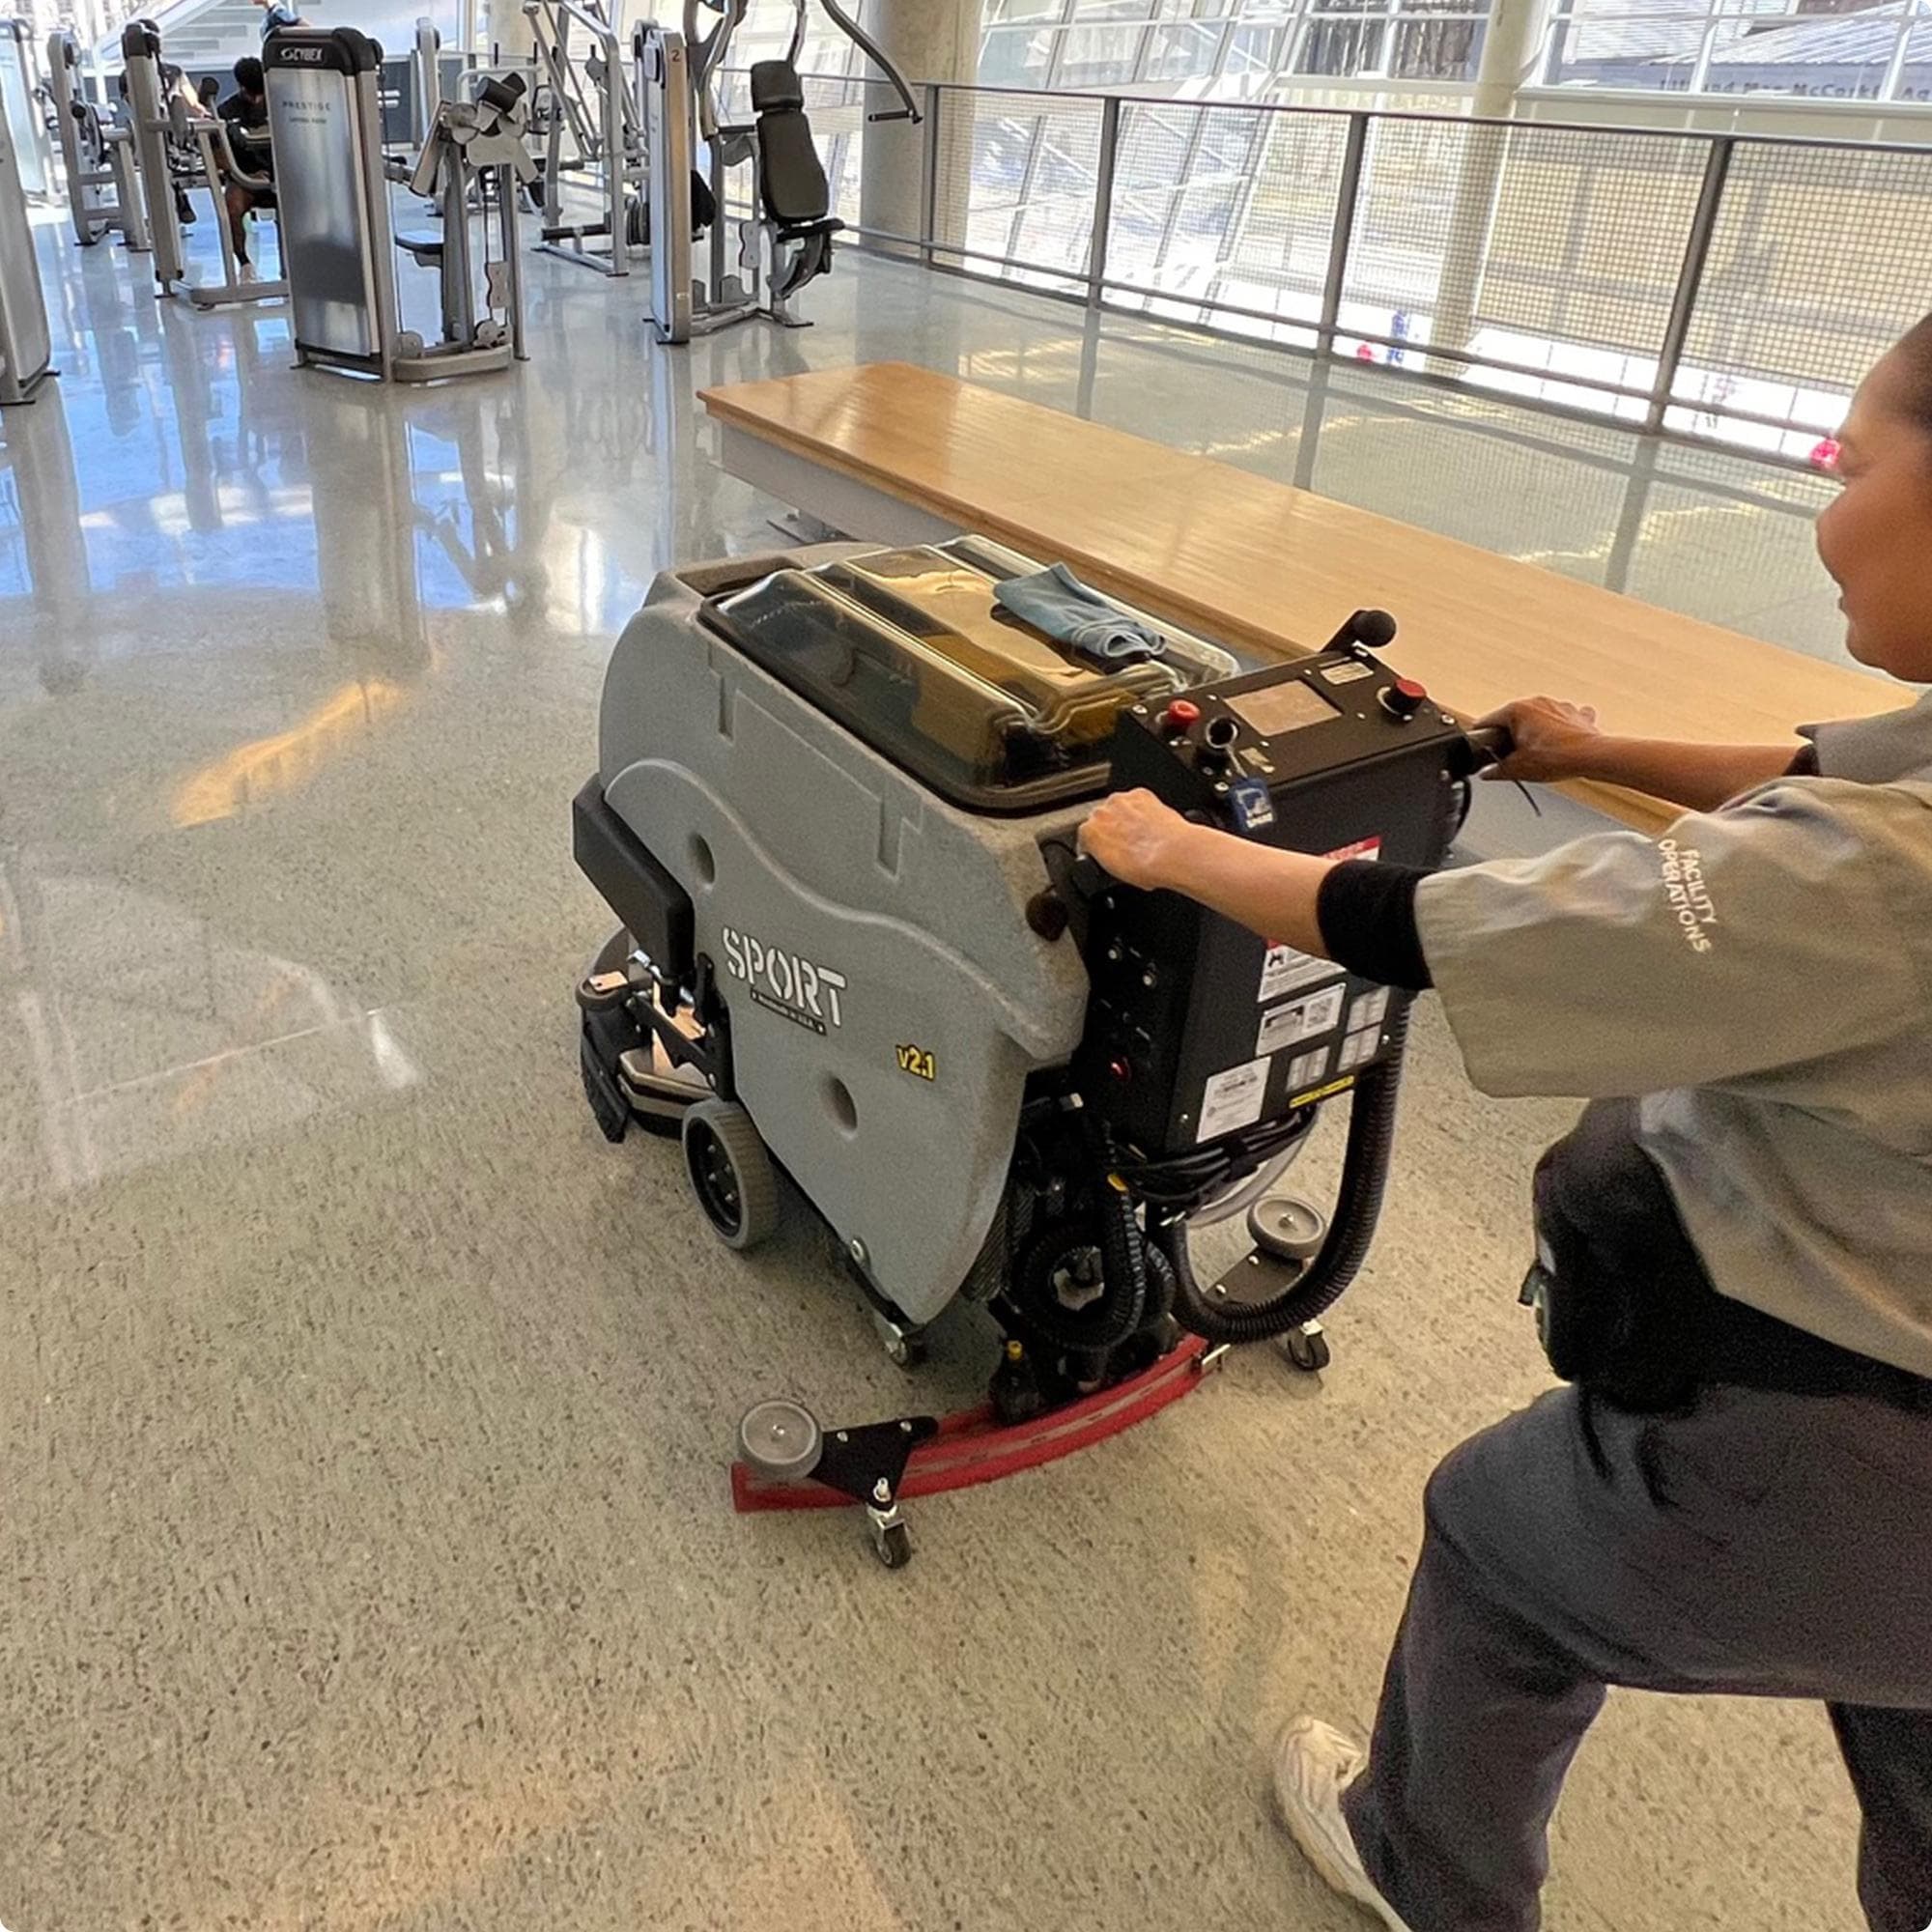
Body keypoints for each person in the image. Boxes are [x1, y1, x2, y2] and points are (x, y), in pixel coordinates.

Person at [1080, 318, 1932, 1931]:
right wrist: (1603, 751)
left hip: (1847, 1435)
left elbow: (1449, 929)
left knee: (1492, 1541)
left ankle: (1423, 1867)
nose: (1826, 508)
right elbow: (1828, 772)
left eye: (1853, 461)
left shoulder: (1881, 876)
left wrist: (1173, 849)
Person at [217, 56, 274, 279]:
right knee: (231, 207)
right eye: (252, 94)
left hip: (282, 174)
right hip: (245, 177)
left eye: (260, 92)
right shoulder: (226, 111)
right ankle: (244, 264)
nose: (257, 98)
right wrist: (242, 175)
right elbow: (218, 154)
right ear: (241, 87)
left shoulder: (281, 102)